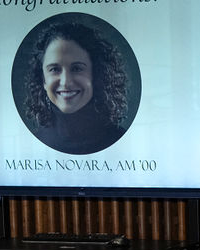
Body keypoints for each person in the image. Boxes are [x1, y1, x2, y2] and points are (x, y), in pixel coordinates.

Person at [20, 19, 130, 154]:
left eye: (77, 68)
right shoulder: (31, 146)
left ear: (95, 75)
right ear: (43, 80)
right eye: (54, 69)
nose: (65, 82)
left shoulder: (122, 142)